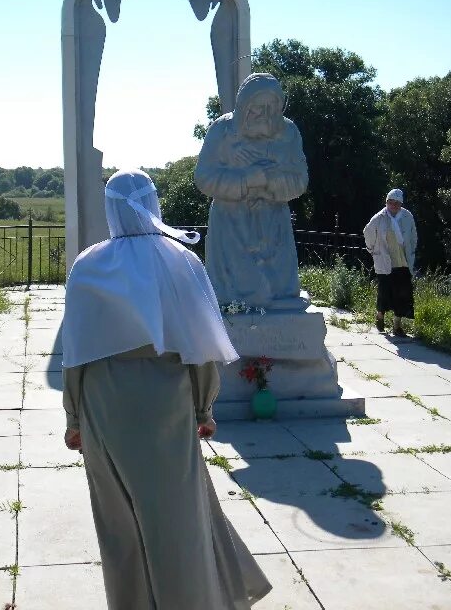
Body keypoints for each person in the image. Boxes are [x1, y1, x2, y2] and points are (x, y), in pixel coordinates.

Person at [61, 169, 272, 610]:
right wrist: (203, 409)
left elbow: (76, 353)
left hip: (104, 404)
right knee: (178, 520)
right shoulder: (181, 260)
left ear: (110, 208)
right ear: (154, 204)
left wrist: (74, 418)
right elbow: (200, 347)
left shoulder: (88, 265)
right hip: (167, 402)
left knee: (118, 522)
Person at [194, 73, 308, 308]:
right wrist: (247, 179)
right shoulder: (223, 130)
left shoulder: (288, 133)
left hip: (273, 224)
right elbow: (204, 178)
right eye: (257, 108)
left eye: (271, 108)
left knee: (280, 292)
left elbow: (300, 181)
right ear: (244, 106)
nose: (264, 115)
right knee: (234, 296)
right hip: (231, 225)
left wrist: (269, 182)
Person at [363, 188, 418, 337]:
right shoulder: (379, 218)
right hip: (385, 260)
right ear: (386, 202)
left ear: (401, 203)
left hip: (403, 260)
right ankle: (380, 316)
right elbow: (368, 232)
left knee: (402, 293)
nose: (393, 205)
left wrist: (412, 250)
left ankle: (397, 325)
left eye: (397, 203)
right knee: (384, 292)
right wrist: (372, 249)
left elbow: (413, 235)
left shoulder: (407, 216)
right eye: (391, 202)